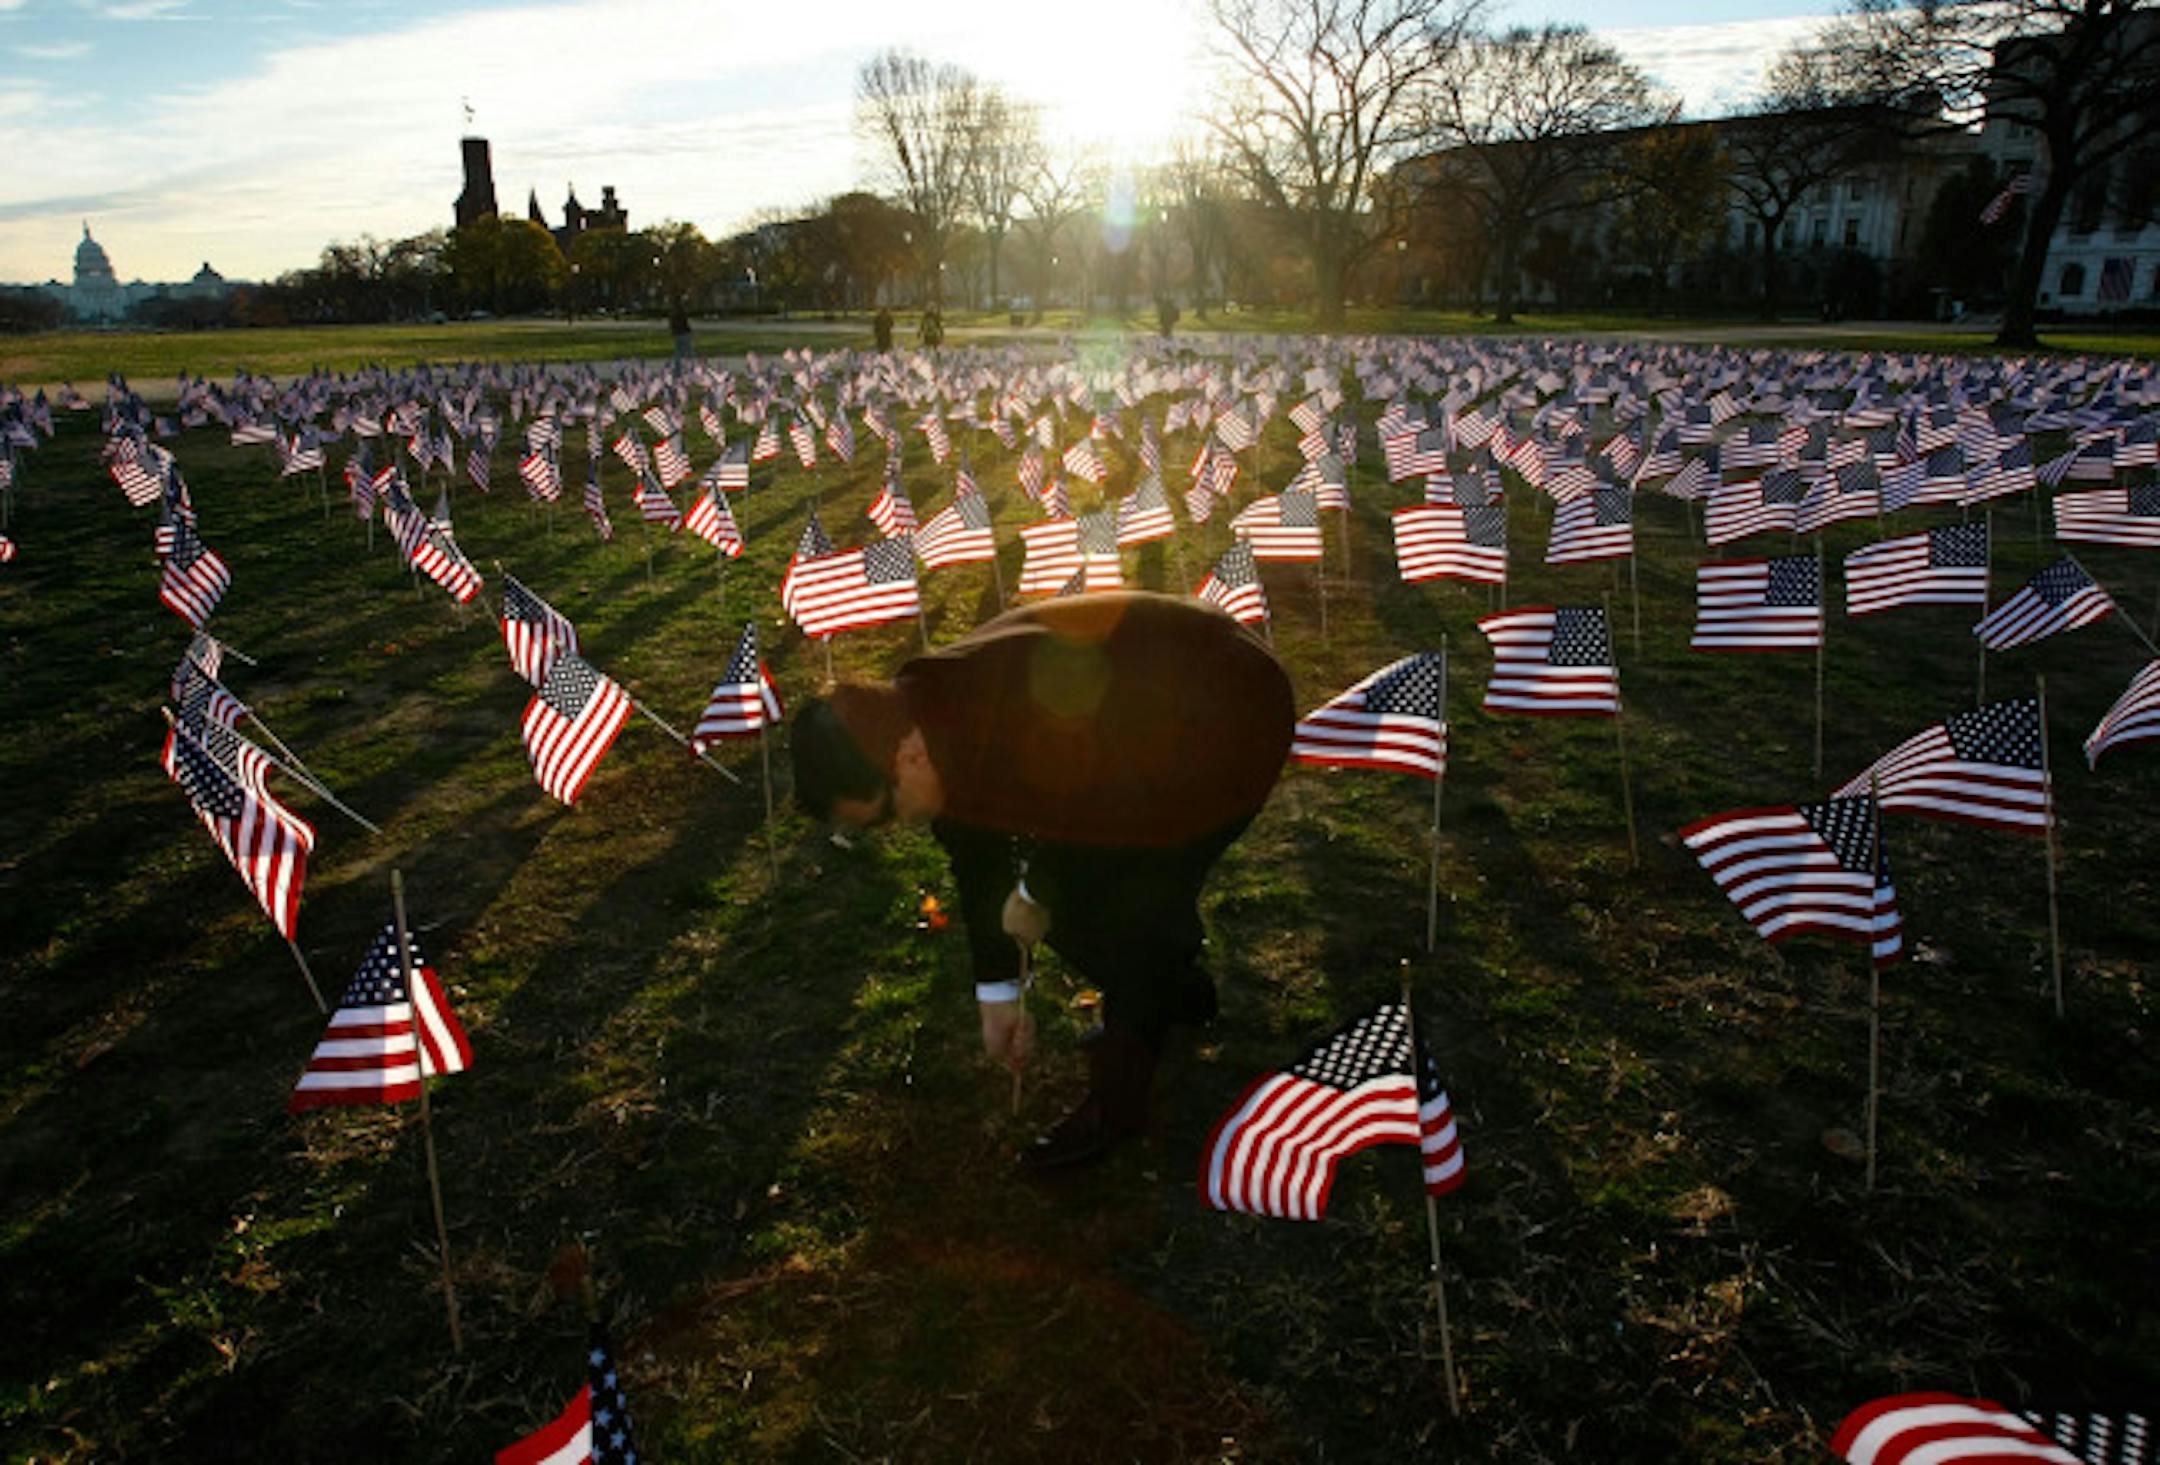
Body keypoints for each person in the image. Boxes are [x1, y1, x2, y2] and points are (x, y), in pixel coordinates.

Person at [791, 593, 1294, 1169]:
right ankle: (1177, 994)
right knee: (1056, 905)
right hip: (1142, 732)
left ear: (906, 758)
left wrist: (1038, 892)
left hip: (1228, 706)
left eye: (884, 815)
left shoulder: (1000, 711)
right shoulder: (927, 727)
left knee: (1130, 902)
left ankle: (1120, 1104)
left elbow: (1115, 806)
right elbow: (980, 869)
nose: (895, 829)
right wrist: (998, 997)